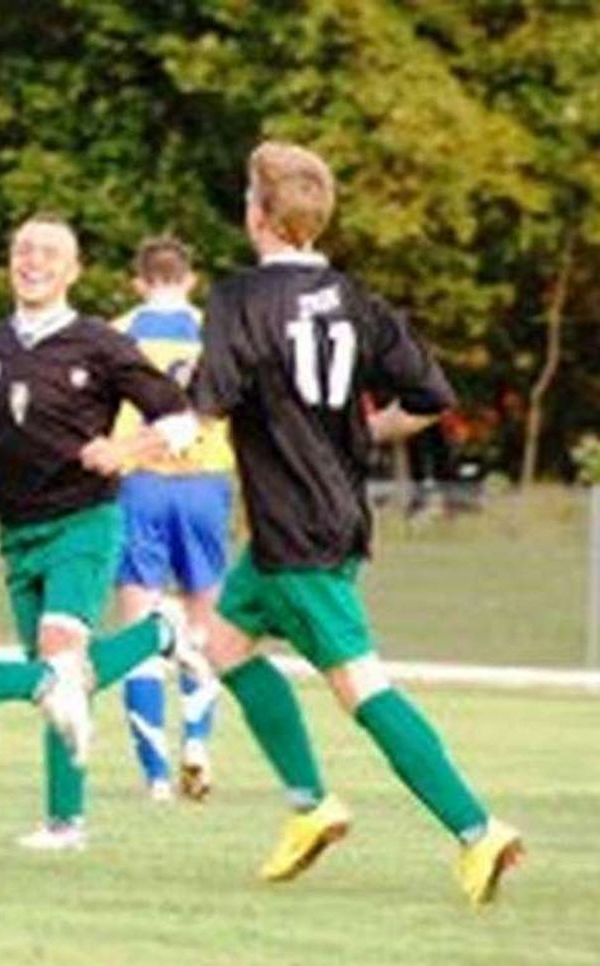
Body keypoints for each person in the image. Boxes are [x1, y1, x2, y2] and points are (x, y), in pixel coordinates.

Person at [190, 141, 523, 906]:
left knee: (360, 685)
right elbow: (432, 397)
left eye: (248, 195)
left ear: (258, 214)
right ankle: (309, 806)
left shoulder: (242, 298)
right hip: (318, 517)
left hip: (296, 530)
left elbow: (208, 400)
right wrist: (360, 433)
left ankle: (477, 829)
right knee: (222, 645)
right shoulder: (357, 300)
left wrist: (140, 442)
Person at [0, 216, 204, 852]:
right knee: (54, 681)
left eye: (49, 252)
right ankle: (158, 636)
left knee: (61, 655)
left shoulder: (101, 343)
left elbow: (181, 420)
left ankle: (67, 822)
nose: (33, 261)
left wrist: (125, 450)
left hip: (85, 522)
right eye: (23, 250)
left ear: (73, 270)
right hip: (17, 532)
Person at [109, 236, 232, 803]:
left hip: (141, 483)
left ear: (138, 282)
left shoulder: (119, 332)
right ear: (190, 279)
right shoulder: (214, 332)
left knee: (138, 628)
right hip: (204, 483)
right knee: (203, 627)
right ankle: (198, 743)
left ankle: (156, 775)